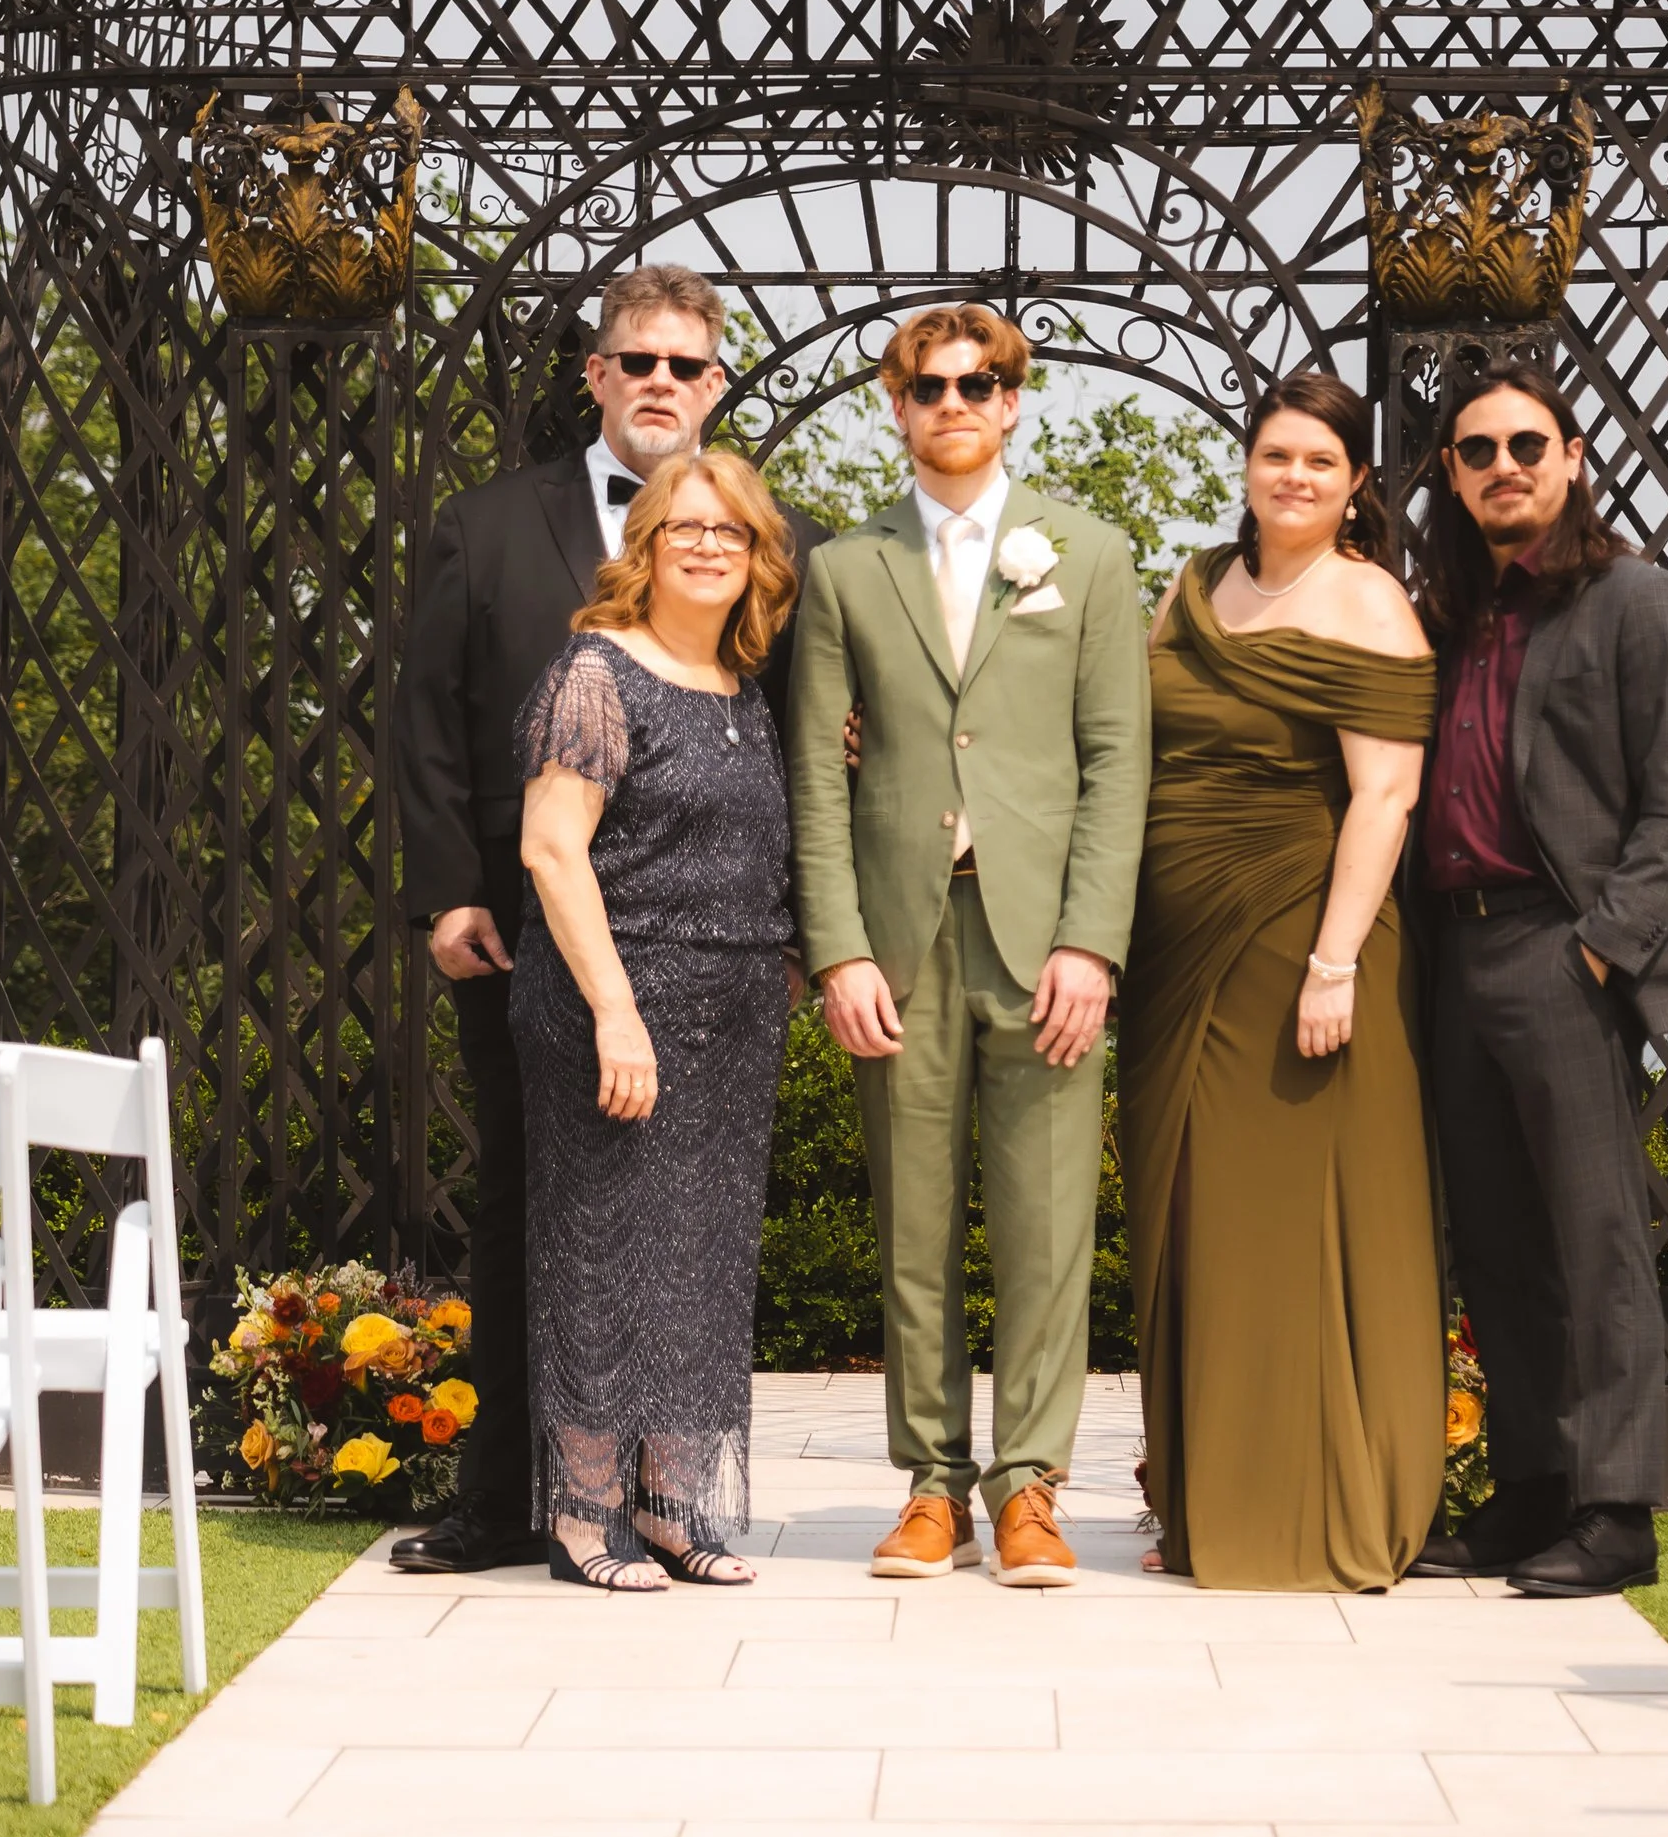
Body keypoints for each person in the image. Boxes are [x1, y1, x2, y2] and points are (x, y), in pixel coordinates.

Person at [394, 263, 824, 1576]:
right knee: (545, 1213)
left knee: (684, 1231)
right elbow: (423, 717)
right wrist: (451, 885)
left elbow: (804, 756)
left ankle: (658, 1498)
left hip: (726, 962)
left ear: (718, 383)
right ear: (596, 374)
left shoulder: (777, 547)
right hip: (538, 935)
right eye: (635, 359)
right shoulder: (486, 522)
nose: (658, 382)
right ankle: (514, 1502)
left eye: (684, 365)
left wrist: (808, 930)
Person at [786, 304, 1150, 1588]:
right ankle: (932, 1486)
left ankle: (1030, 1488)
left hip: (1041, 934)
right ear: (896, 405)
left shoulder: (1090, 556)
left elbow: (1117, 762)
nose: (954, 401)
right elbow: (816, 782)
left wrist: (1092, 944)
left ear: (1012, 402)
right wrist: (837, 950)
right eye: (928, 384)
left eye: (979, 383)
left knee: (1049, 1227)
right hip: (901, 937)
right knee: (911, 1224)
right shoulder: (841, 568)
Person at [1410, 354, 1668, 1597]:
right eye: (1478, 451)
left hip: (1562, 946)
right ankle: (1533, 1489)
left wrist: (1598, 944)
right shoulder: (1445, 609)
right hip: (1453, 953)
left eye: (1524, 446)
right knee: (1493, 1242)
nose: (1503, 468)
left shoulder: (1629, 599)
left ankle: (1618, 1514)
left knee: (1593, 1241)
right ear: (1451, 472)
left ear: (1571, 458)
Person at [1121, 372, 1442, 1592]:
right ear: (1246, 466)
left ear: (1355, 481)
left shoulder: (1368, 602)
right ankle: (1199, 1504)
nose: (1293, 477)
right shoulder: (1192, 587)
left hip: (1298, 940)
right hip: (1171, 954)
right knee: (1186, 1221)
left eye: (1320, 460)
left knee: (1290, 1227)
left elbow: (1386, 793)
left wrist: (1333, 962)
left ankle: (1306, 1510)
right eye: (1275, 455)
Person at [510, 448, 800, 1587]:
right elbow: (550, 847)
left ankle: (672, 1503)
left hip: (729, 1018)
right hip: (613, 1005)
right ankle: (584, 1513)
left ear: (755, 555)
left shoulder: (744, 690)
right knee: (600, 1250)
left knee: (698, 1254)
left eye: (728, 531)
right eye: (683, 526)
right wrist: (615, 1013)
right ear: (644, 544)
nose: (705, 545)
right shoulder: (597, 672)